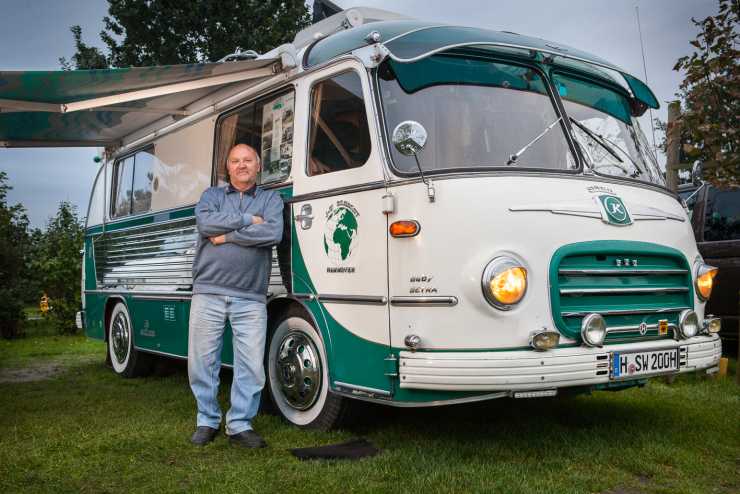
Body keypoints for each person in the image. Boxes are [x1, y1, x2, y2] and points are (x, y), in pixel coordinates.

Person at [188, 143, 284, 448]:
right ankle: (207, 420)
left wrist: (227, 235)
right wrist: (247, 220)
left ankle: (240, 424)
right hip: (209, 291)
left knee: (251, 366)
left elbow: (272, 233)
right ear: (227, 167)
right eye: (235, 161)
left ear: (258, 166)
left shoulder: (270, 199)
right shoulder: (211, 196)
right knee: (202, 363)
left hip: (251, 296)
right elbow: (206, 224)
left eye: (248, 160)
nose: (242, 165)